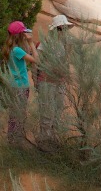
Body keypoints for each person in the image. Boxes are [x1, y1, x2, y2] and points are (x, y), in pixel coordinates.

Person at [36, 14, 74, 142]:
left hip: (60, 82)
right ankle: (43, 140)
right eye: (60, 28)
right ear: (55, 29)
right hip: (47, 82)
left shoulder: (64, 43)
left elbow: (85, 41)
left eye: (64, 28)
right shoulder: (45, 43)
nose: (63, 31)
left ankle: (53, 138)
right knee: (47, 111)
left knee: (58, 110)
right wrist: (37, 81)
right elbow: (37, 63)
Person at [5, 20, 36, 144]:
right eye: (23, 32)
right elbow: (35, 60)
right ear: (20, 35)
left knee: (14, 114)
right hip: (21, 86)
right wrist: (31, 42)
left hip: (14, 85)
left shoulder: (11, 49)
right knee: (19, 114)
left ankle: (12, 139)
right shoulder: (17, 50)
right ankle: (15, 141)